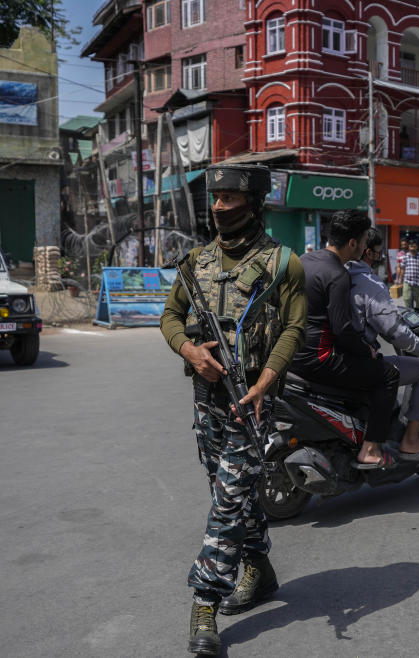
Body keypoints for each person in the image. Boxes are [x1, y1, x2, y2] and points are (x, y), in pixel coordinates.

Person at [160, 165, 307, 655]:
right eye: (215, 198)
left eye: (229, 198)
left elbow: (293, 328)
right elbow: (170, 316)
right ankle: (259, 569)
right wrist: (189, 350)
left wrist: (268, 377)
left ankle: (205, 601)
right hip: (208, 402)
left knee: (226, 501)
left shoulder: (283, 263)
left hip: (252, 401)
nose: (219, 207)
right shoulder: (195, 263)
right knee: (232, 495)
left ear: (254, 203)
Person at [291, 210, 402, 469]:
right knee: (388, 375)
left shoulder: (304, 260)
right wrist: (368, 351)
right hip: (319, 359)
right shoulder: (338, 274)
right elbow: (341, 329)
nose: (365, 247)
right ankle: (371, 450)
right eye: (364, 241)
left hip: (292, 354)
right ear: (352, 243)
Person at [347, 227, 419, 461]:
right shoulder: (369, 283)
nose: (379, 258)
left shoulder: (334, 274)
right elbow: (394, 331)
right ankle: (410, 440)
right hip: (358, 360)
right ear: (367, 252)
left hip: (330, 356)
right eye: (378, 253)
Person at [398, 239, 419, 309]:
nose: (412, 248)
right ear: (408, 247)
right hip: (407, 282)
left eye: (414, 246)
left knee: (418, 301)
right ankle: (409, 314)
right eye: (411, 246)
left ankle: (418, 315)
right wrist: (401, 281)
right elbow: (402, 269)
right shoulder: (405, 257)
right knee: (407, 299)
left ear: (417, 247)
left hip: (418, 282)